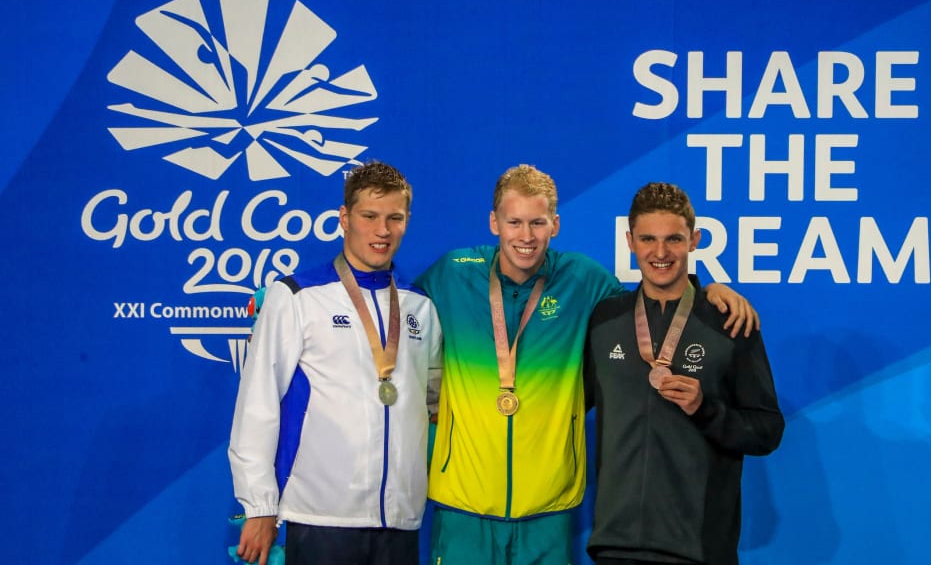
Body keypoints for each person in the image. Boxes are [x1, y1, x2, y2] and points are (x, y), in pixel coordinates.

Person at [415, 165, 758, 565]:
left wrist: (709, 290)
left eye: (538, 223)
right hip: (461, 504)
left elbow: (649, 304)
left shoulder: (585, 280)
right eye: (515, 222)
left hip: (549, 507)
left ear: (555, 224)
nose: (526, 237)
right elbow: (398, 316)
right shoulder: (452, 273)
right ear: (495, 222)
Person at [228, 162, 443, 565]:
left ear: (407, 221)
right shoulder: (297, 297)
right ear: (345, 218)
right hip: (320, 517)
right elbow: (257, 405)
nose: (383, 230)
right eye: (369, 217)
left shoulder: (421, 308)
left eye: (395, 218)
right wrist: (259, 505)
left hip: (400, 521)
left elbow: (432, 406)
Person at [585, 182, 784, 565]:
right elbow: (566, 404)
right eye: (648, 239)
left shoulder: (729, 323)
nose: (660, 253)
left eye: (674, 239)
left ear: (695, 240)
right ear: (630, 241)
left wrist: (706, 409)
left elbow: (767, 430)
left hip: (698, 549)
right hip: (615, 545)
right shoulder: (605, 320)